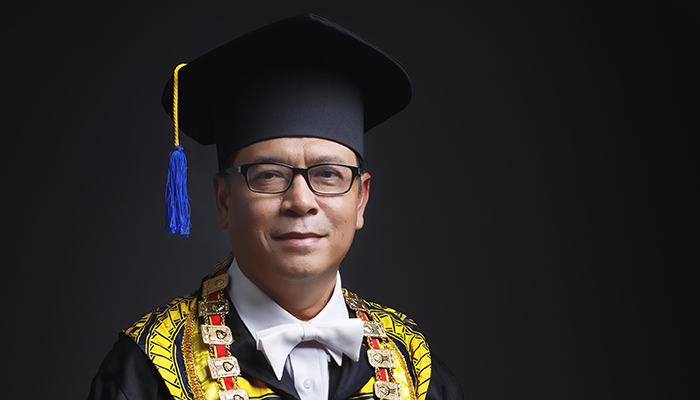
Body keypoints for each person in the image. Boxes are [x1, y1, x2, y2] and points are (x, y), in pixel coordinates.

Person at [88, 14, 462, 400]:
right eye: (268, 175)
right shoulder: (143, 375)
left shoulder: (417, 372)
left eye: (328, 174)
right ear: (224, 200)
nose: (301, 202)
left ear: (361, 198)